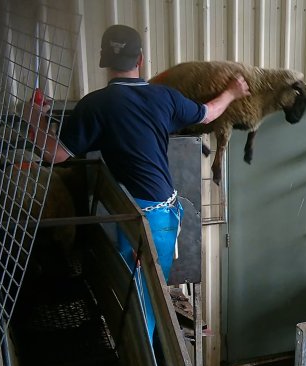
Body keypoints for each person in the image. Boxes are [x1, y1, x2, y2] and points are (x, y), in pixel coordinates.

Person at [27, 24, 250, 342]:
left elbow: (56, 154)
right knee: (142, 292)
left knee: (138, 298)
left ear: (105, 62)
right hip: (165, 213)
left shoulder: (96, 104)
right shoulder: (165, 97)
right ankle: (138, 356)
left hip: (139, 218)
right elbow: (207, 114)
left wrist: (32, 116)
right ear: (141, 59)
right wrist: (232, 91)